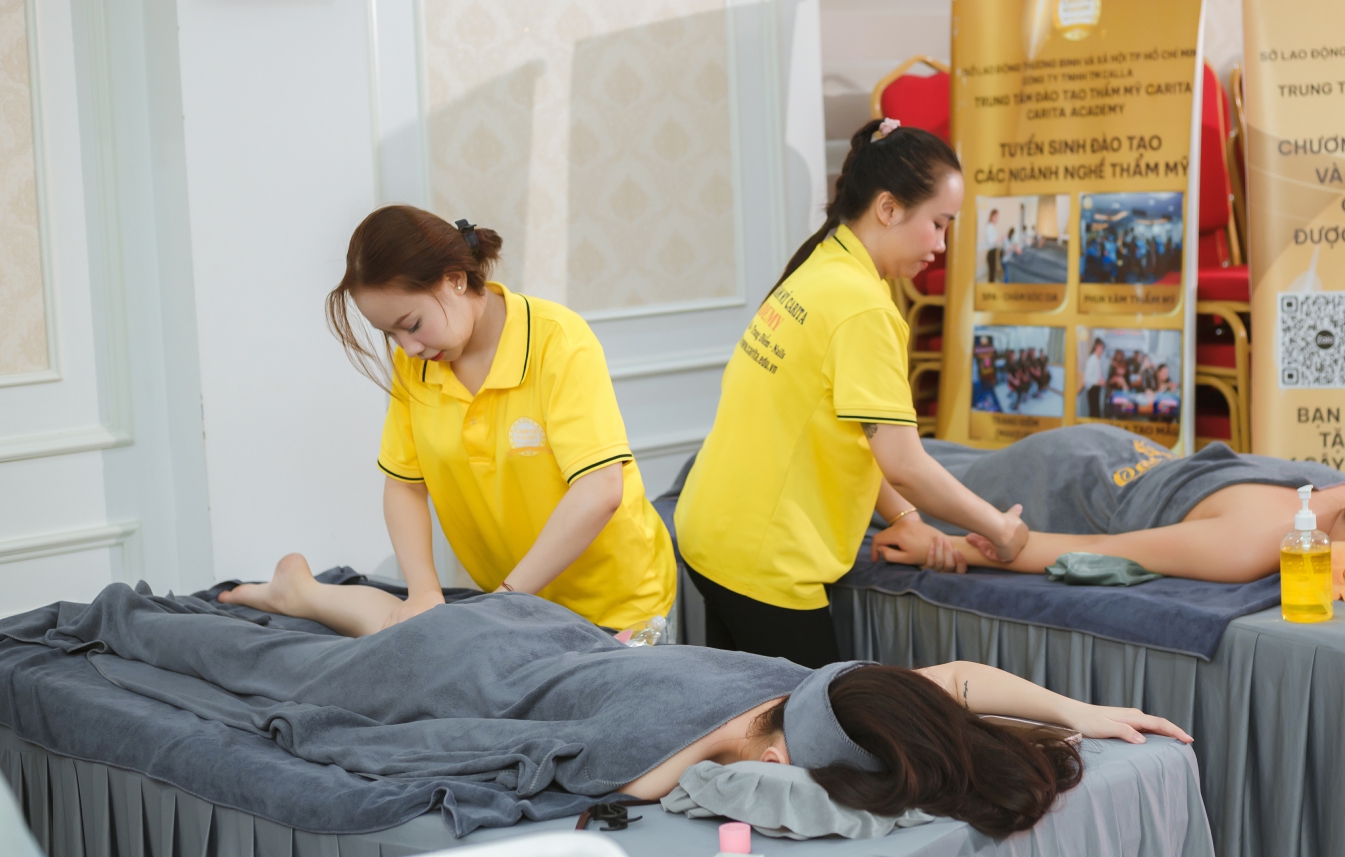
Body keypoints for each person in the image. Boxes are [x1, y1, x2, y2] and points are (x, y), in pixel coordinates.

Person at [217, 554, 1190, 838]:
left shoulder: (818, 690)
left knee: (401, 625)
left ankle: (300, 593)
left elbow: (957, 684)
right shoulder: (665, 760)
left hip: (548, 631)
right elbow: (571, 771)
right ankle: (296, 598)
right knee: (337, 660)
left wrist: (1080, 714)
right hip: (500, 662)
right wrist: (1076, 714)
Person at [673, 118, 1031, 667]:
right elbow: (905, 465)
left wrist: (906, 519)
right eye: (938, 224)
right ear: (887, 208)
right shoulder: (863, 308)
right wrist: (1000, 528)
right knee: (813, 717)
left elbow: (855, 433)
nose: (941, 246)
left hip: (710, 531)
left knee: (744, 713)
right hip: (763, 559)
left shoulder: (822, 266)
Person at [222, 206, 676, 634]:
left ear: (455, 280)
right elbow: (404, 485)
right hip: (518, 606)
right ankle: (299, 591)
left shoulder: (557, 342)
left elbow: (600, 491)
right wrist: (424, 591)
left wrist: (505, 599)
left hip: (618, 608)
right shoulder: (416, 366)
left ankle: (300, 592)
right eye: (390, 334)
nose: (408, 347)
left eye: (412, 324)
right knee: (421, 634)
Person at [876, 425, 1345, 589]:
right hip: (1059, 481)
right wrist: (941, 543)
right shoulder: (1250, 543)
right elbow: (1079, 552)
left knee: (931, 453)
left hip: (1117, 448)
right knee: (888, 473)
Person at [984, 208, 1001, 283]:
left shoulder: (992, 227)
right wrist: (1000, 238)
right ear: (992, 216)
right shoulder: (989, 227)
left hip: (993, 252)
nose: (997, 219)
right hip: (991, 253)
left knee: (993, 273)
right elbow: (991, 242)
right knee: (991, 275)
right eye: (996, 217)